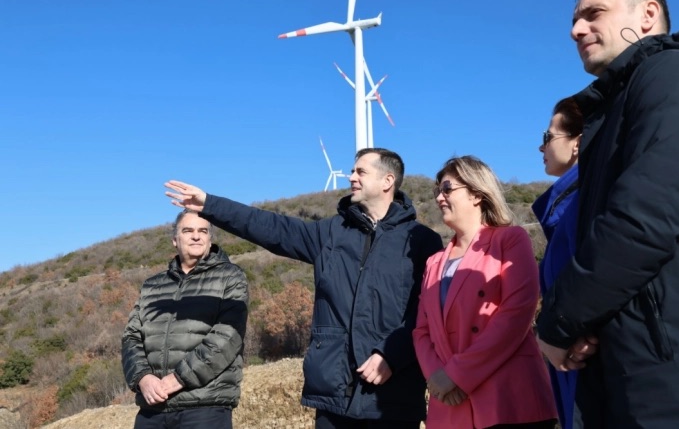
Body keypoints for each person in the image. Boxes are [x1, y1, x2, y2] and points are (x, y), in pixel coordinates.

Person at [536, 0, 679, 427]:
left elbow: (644, 219)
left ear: (647, 15)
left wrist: (559, 323)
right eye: (574, 20)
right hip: (636, 366)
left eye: (593, 14)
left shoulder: (677, 73)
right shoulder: (617, 107)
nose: (576, 30)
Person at [164, 148, 443, 429]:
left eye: (361, 171)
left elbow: (427, 312)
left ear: (387, 181)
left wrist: (392, 354)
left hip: (393, 396)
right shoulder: (329, 233)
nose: (351, 177)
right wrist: (210, 205)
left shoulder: (421, 241)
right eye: (351, 171)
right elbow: (271, 227)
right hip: (334, 395)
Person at [413, 156, 557, 429]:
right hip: (450, 404)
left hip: (508, 399)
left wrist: (456, 375)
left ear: (477, 194)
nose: (439, 197)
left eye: (447, 188)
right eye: (437, 191)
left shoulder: (510, 240)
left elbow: (517, 313)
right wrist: (436, 377)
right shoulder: (433, 263)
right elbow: (422, 331)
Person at [122, 210, 249, 429]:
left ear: (210, 239)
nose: (196, 236)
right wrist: (143, 378)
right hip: (152, 409)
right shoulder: (152, 286)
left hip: (205, 407)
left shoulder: (230, 276)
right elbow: (131, 337)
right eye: (188, 230)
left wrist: (179, 378)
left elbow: (227, 336)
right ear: (175, 239)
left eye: (203, 231)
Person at [531, 98, 588, 429]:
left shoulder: (582, 202)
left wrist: (564, 331)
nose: (542, 147)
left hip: (582, 360)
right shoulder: (561, 208)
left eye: (548, 137)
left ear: (577, 142)